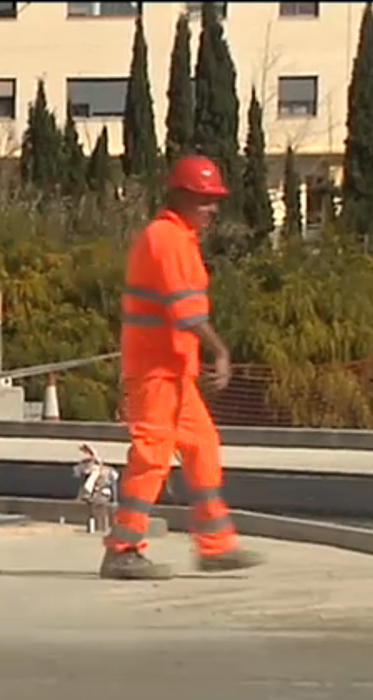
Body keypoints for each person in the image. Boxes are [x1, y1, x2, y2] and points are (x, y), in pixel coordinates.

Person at [101, 155, 266, 581]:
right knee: (151, 458)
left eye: (214, 201)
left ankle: (214, 545)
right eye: (204, 200)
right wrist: (221, 352)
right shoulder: (167, 239)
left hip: (173, 371)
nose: (212, 208)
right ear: (180, 197)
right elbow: (186, 312)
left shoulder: (178, 238)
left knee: (202, 445)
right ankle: (122, 549)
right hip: (156, 373)